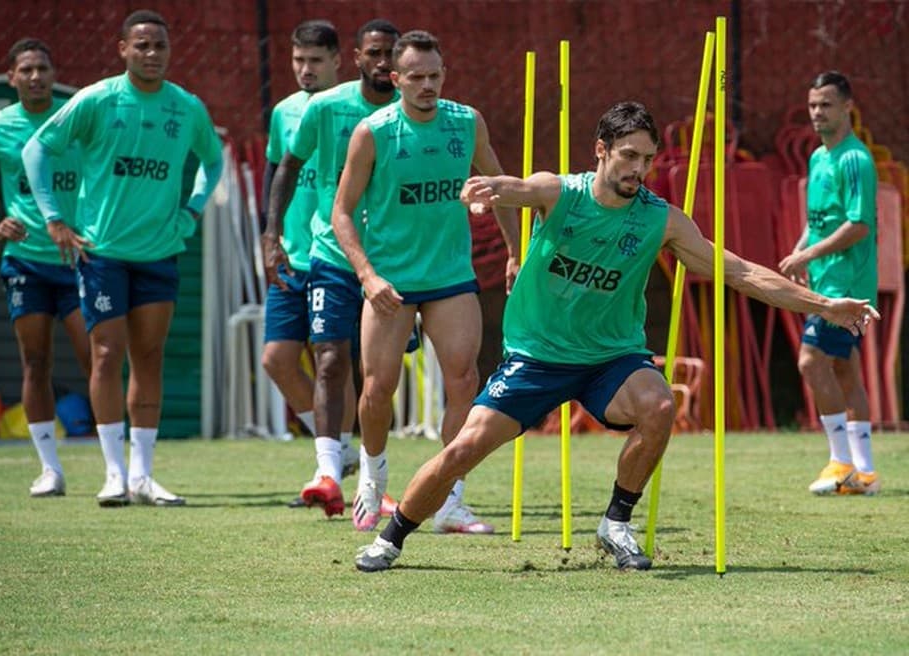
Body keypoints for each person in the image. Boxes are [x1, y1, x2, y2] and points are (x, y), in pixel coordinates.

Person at [355, 101, 878, 572]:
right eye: (628, 155)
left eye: (647, 159)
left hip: (611, 358)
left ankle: (616, 523)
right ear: (601, 151)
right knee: (462, 450)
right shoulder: (563, 193)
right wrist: (491, 188)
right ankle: (392, 538)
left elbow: (739, 272)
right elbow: (519, 187)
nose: (638, 169)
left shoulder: (659, 220)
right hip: (537, 356)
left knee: (658, 404)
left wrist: (825, 305)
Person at [22, 10, 223, 507]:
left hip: (159, 253)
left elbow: (213, 159)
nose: (152, 54)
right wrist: (53, 217)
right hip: (102, 253)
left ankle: (143, 476)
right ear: (123, 49)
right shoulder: (98, 99)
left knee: (148, 358)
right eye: (142, 45)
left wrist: (193, 208)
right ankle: (112, 473)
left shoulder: (186, 107)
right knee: (107, 355)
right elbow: (36, 150)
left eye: (160, 45)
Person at [333, 30, 519, 534]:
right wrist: (367, 277)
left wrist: (515, 252)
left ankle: (450, 500)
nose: (427, 85)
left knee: (464, 381)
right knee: (378, 388)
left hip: (451, 277)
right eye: (416, 77)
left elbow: (498, 186)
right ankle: (372, 478)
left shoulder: (467, 122)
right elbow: (342, 214)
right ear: (394, 79)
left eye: (435, 75)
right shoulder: (373, 132)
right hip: (390, 281)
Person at [265, 19, 401, 518]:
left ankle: (372, 478)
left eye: (391, 54)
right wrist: (271, 236)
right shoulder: (324, 108)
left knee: (377, 374)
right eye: (375, 53)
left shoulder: (414, 115)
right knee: (326, 358)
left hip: (394, 261)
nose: (383, 63)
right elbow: (286, 166)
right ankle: (328, 472)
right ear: (357, 58)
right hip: (330, 253)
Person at [0, 38, 90, 498]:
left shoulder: (77, 114)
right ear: (11, 77)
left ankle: (119, 466)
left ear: (53, 73)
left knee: (100, 358)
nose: (35, 77)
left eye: (42, 69)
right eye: (25, 70)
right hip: (26, 261)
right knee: (35, 361)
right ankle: (50, 469)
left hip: (80, 258)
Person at [260, 20, 360, 507]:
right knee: (276, 358)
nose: (305, 69)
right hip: (291, 256)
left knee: (336, 361)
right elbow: (275, 171)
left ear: (339, 61)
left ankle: (333, 466)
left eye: (315, 60)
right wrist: (270, 235)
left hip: (334, 254)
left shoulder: (351, 108)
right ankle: (337, 453)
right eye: (298, 60)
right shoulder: (283, 113)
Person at [779, 71, 880, 496]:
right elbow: (818, 224)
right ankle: (866, 472)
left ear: (847, 107)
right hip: (823, 280)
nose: (818, 113)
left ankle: (840, 463)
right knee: (843, 369)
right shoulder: (818, 159)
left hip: (846, 286)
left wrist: (808, 254)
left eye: (826, 105)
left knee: (810, 360)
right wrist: (801, 250)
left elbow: (859, 225)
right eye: (813, 105)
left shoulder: (855, 159)